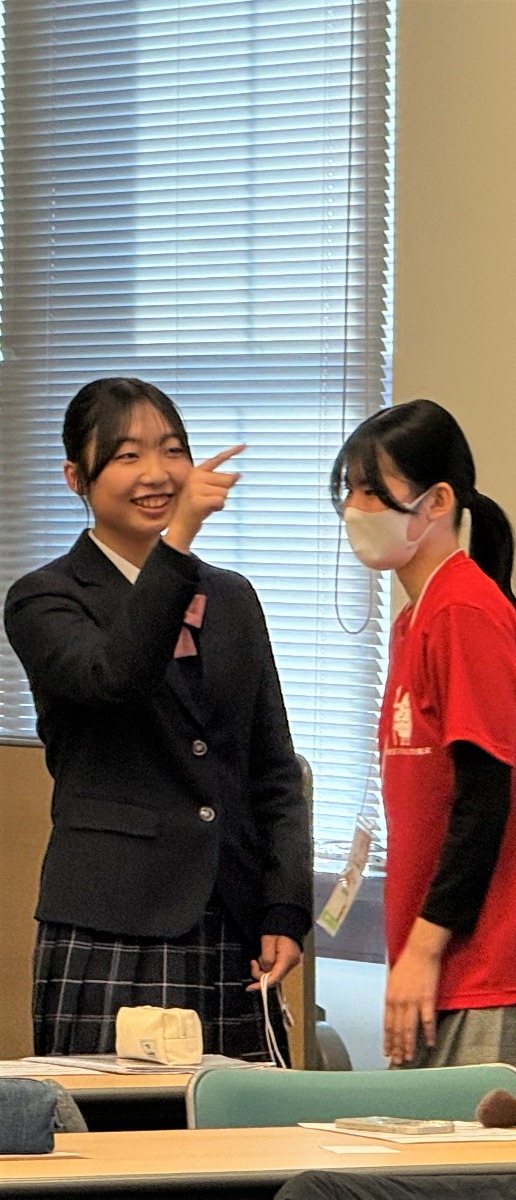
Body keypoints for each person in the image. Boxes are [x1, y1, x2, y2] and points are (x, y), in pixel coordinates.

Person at [4, 377, 311, 1058]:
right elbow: (114, 676)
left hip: (232, 923)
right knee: (115, 1123)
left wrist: (286, 907)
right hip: (113, 921)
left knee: (241, 1121)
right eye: (127, 455)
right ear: (76, 478)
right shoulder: (44, 598)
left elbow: (273, 767)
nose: (156, 473)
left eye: (173, 450)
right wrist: (178, 543)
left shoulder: (231, 597)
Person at [331, 399, 516, 1067]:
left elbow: (483, 798)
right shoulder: (417, 618)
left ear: (438, 501)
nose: (354, 508)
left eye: (373, 490)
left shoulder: (463, 610)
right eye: (349, 490)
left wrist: (422, 948)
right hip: (457, 962)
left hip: (503, 965)